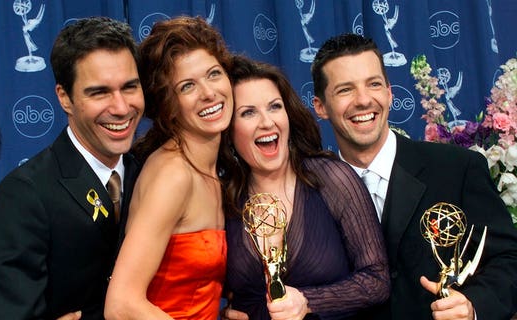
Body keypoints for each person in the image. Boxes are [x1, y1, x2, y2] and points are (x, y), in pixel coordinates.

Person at [312, 33, 517, 320]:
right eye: (345, 90)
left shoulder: (457, 169)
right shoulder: (311, 192)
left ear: (389, 93)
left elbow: (509, 260)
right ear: (320, 106)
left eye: (373, 84)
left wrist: (473, 306)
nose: (363, 100)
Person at [0, 17, 144, 319]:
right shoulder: (23, 196)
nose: (120, 107)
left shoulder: (150, 173)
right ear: (64, 97)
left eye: (129, 87)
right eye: (99, 92)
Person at [218, 55, 390, 320]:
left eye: (275, 107)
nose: (267, 122)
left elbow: (377, 280)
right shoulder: (223, 197)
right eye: (248, 112)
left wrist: (308, 301)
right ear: (229, 129)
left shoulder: (331, 178)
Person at [104, 16, 232, 319]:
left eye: (214, 74)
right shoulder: (173, 174)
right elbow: (121, 304)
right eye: (188, 86)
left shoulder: (214, 169)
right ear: (168, 105)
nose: (209, 93)